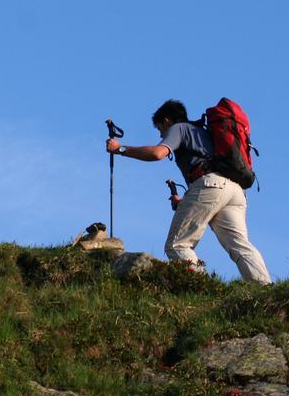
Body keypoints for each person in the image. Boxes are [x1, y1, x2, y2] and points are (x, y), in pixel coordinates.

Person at [105, 99, 272, 284]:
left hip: (210, 185)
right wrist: (185, 202)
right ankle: (265, 287)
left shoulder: (179, 128)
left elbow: (157, 153)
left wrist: (120, 149)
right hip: (235, 190)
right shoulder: (203, 131)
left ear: (167, 121)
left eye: (160, 129)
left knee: (177, 245)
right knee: (239, 245)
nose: (161, 134)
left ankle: (201, 287)